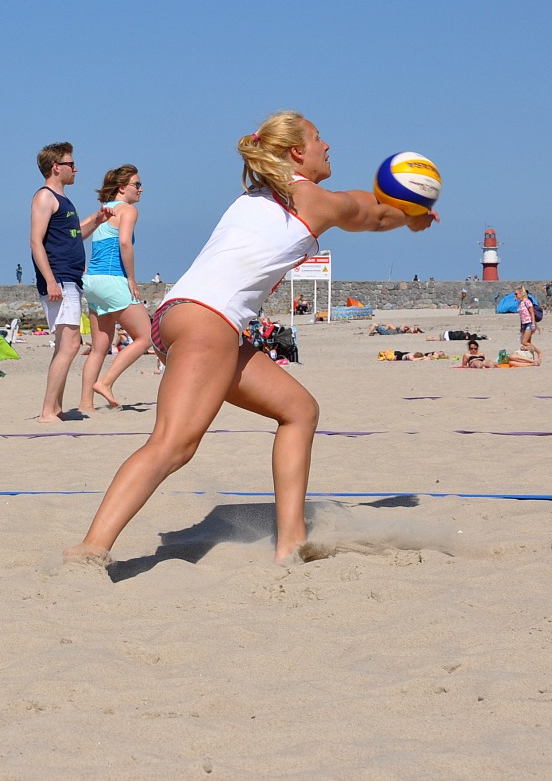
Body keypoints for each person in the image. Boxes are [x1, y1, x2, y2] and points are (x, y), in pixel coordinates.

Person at [64, 111, 436, 565]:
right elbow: (370, 215)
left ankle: (291, 542)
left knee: (299, 410)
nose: (327, 146)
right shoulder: (310, 198)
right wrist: (409, 216)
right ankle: (90, 550)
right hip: (208, 322)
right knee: (172, 445)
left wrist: (400, 211)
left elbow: (361, 206)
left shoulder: (257, 194)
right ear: (297, 151)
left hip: (181, 316)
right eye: (318, 138)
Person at [29, 142, 113, 422]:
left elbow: (75, 235)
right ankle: (47, 411)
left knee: (67, 344)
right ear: (56, 167)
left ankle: (54, 408)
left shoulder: (64, 200)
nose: (75, 169)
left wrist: (97, 221)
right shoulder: (45, 197)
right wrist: (51, 281)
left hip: (70, 278)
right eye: (71, 164)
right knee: (70, 344)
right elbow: (36, 242)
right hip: (60, 279)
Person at [79, 164, 153, 411]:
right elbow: (124, 243)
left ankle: (85, 405)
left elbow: (75, 235)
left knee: (99, 347)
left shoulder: (101, 212)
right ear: (122, 188)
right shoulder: (128, 210)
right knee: (146, 336)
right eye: (137, 184)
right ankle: (106, 382)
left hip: (92, 282)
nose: (141, 189)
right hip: (113, 279)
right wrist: (131, 278)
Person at [515, 287, 542, 362]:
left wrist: (533, 324)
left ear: (521, 293)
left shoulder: (527, 301)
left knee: (524, 342)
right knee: (528, 343)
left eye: (516, 294)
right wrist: (521, 327)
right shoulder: (520, 303)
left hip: (529, 323)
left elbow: (532, 313)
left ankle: (539, 352)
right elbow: (521, 316)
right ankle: (531, 358)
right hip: (524, 324)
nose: (515, 295)